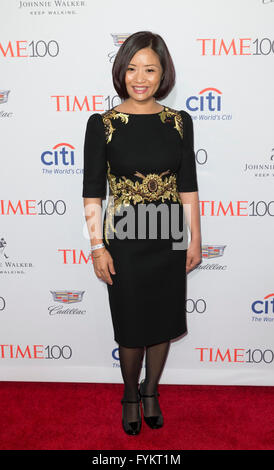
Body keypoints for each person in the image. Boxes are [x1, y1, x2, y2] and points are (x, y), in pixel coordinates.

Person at [82, 31, 201, 436]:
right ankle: (130, 394)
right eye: (132, 68)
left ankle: (152, 391)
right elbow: (93, 191)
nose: (140, 77)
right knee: (132, 325)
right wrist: (97, 246)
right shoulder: (103, 124)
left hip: (168, 233)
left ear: (163, 73)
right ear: (121, 72)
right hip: (126, 236)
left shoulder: (179, 122)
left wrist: (195, 239)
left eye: (150, 69)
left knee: (164, 320)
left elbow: (188, 185)